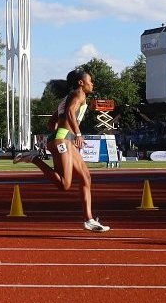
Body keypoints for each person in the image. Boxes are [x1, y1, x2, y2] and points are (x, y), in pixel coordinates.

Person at [25, 69, 110, 233]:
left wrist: (62, 130)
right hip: (63, 139)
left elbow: (51, 122)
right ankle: (34, 159)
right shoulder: (79, 95)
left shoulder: (67, 97)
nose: (92, 84)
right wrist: (77, 133)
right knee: (65, 184)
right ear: (81, 83)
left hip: (64, 139)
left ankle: (89, 220)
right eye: (90, 81)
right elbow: (70, 112)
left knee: (86, 177)